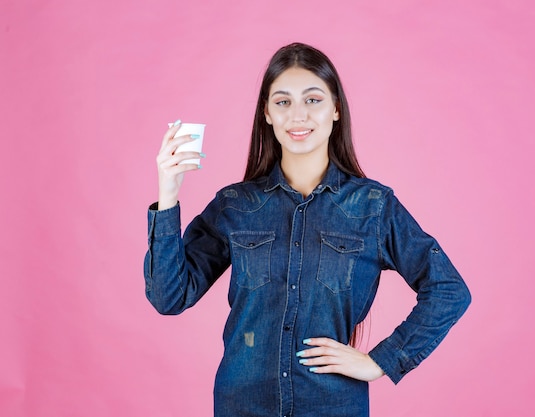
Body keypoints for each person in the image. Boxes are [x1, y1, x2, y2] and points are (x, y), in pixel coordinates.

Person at [144, 42, 471, 417]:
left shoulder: (372, 207)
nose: (297, 115)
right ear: (266, 113)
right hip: (243, 405)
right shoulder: (235, 205)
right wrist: (167, 194)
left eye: (312, 100)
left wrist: (382, 361)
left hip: (333, 406)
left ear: (335, 109)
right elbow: (168, 297)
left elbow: (448, 289)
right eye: (283, 102)